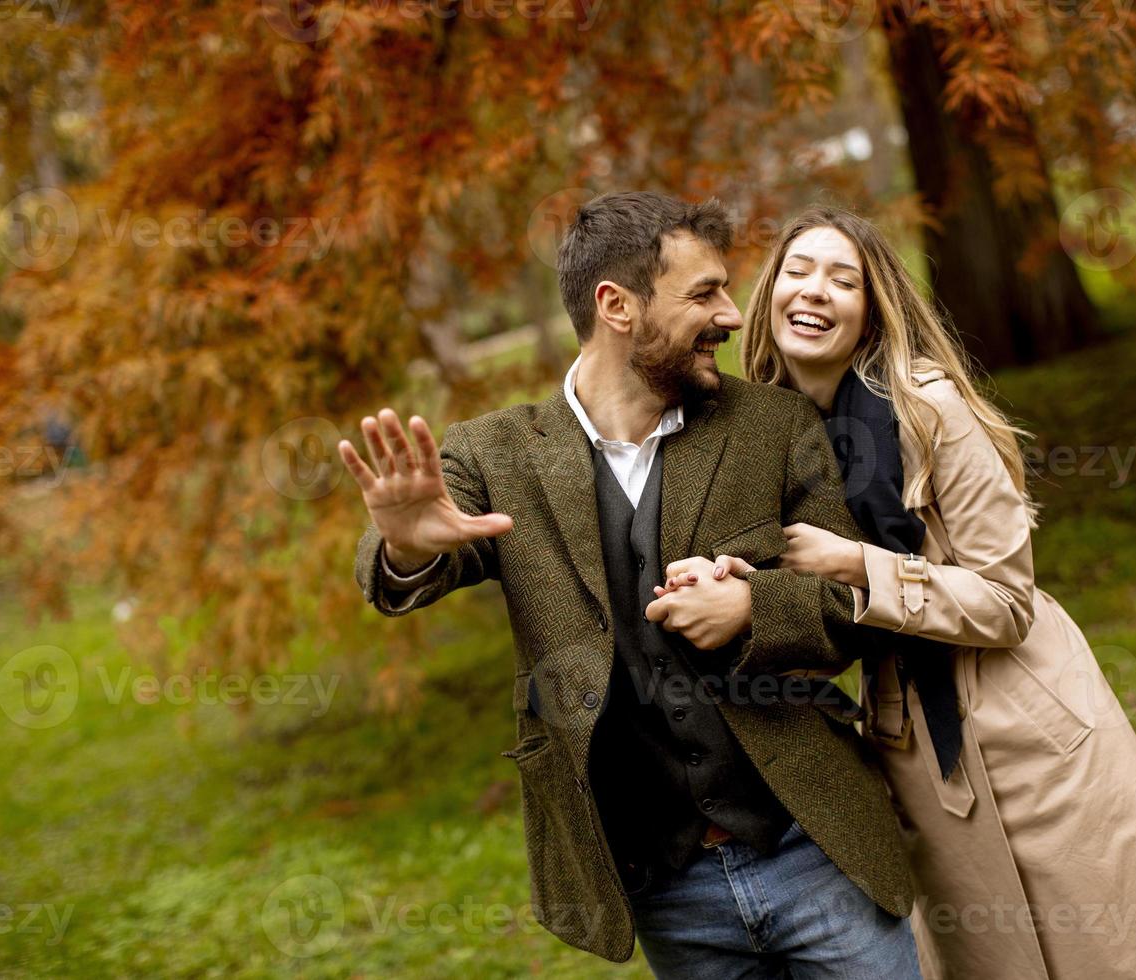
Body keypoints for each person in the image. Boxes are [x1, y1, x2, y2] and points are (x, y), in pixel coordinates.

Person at [339, 192, 924, 978]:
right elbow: (395, 568)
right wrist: (405, 547)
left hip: (816, 848)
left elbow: (856, 605)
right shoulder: (494, 455)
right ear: (616, 306)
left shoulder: (774, 426)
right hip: (666, 889)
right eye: (704, 293)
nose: (734, 313)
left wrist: (756, 607)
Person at [659, 206, 1136, 979]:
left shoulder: (929, 410)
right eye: (798, 271)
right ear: (770, 294)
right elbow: (801, 596)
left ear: (870, 313)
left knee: (1106, 949)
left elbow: (1007, 600)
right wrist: (740, 586)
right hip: (920, 746)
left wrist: (857, 565)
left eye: (844, 279)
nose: (816, 291)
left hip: (1023, 723)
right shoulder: (767, 435)